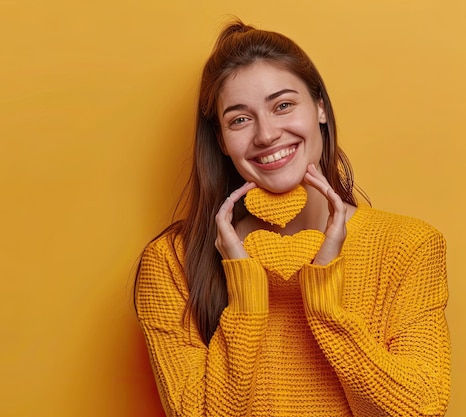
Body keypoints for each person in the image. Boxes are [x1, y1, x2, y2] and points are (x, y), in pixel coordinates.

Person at [134, 19, 451, 417]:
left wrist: (323, 299)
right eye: (239, 119)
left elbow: (420, 411)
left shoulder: (408, 245)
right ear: (221, 141)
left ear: (320, 107)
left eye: (283, 105)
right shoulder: (172, 262)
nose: (266, 134)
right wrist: (245, 288)